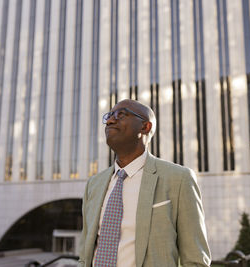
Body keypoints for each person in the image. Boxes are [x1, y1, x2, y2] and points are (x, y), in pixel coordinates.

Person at [78, 99, 211, 267]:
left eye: (121, 114)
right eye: (110, 115)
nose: (111, 120)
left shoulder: (179, 179)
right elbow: (85, 253)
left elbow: (195, 260)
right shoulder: (94, 184)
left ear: (145, 127)